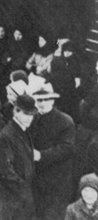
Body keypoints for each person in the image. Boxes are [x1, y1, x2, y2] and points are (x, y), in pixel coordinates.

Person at [29, 84, 76, 220]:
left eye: (46, 100)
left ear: (52, 101)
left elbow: (67, 148)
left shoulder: (65, 121)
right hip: (37, 178)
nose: (42, 103)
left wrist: (41, 155)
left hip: (57, 178)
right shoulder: (32, 119)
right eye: (39, 100)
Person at [0, 94, 38, 220]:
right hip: (9, 196)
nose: (29, 118)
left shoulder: (23, 130)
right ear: (15, 111)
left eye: (31, 114)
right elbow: (5, 170)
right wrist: (24, 189)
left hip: (19, 194)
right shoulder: (7, 135)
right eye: (26, 114)